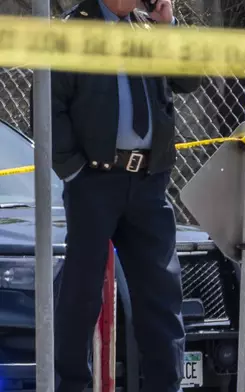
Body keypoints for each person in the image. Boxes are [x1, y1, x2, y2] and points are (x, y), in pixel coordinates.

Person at [34, 0, 202, 391]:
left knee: (161, 295)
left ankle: (166, 385)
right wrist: (74, 170)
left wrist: (167, 27)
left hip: (148, 184)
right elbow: (48, 106)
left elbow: (190, 79)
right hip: (94, 182)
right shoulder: (74, 29)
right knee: (81, 293)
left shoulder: (147, 28)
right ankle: (73, 385)